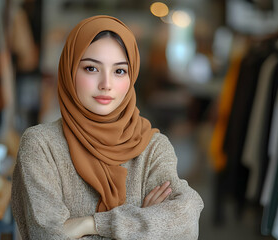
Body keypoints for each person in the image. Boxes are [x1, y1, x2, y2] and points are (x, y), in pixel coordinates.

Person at [11, 15, 204, 239]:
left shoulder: (152, 148)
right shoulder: (41, 146)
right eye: (91, 68)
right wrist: (144, 223)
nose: (106, 84)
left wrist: (90, 224)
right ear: (69, 70)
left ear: (131, 77)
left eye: (119, 71)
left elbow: (186, 220)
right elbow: (48, 235)